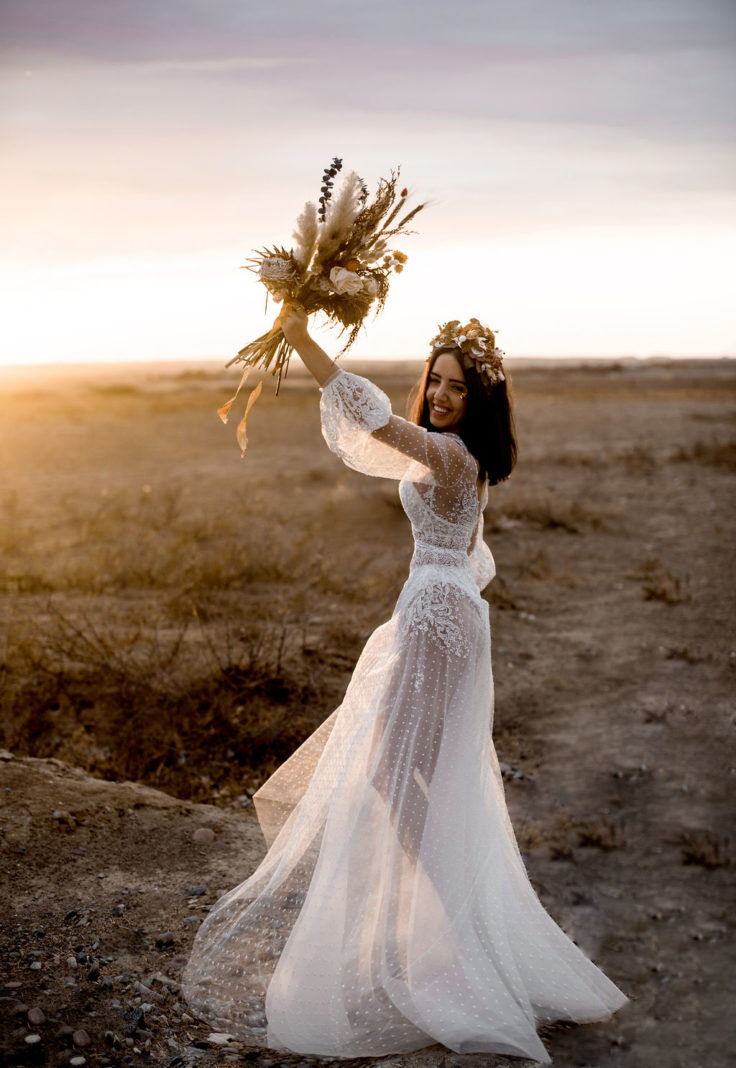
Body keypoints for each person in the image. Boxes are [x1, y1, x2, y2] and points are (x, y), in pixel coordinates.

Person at [182, 306, 628, 1062]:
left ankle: (447, 919)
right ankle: (449, 915)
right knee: (409, 770)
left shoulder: (449, 455)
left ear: (479, 400)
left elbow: (371, 420)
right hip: (440, 609)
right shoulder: (460, 458)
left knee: (396, 770)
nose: (443, 395)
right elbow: (459, 538)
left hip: (436, 615)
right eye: (437, 381)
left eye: (458, 387)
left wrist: (302, 340)